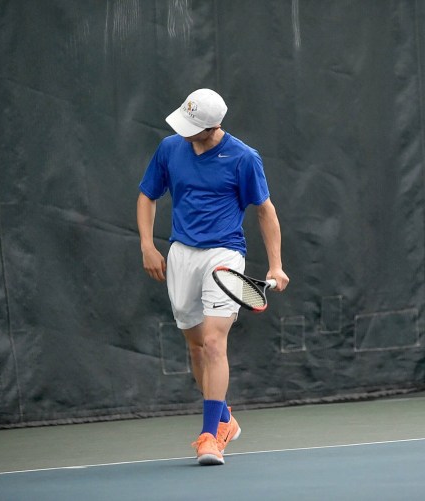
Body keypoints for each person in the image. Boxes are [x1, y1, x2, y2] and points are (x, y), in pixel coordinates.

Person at [137, 88, 289, 465]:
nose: (184, 131)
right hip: (181, 255)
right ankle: (225, 420)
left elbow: (265, 211)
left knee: (213, 343)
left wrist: (276, 264)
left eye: (193, 127)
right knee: (195, 347)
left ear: (213, 127)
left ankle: (209, 437)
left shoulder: (243, 158)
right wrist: (147, 246)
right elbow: (147, 196)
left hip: (224, 255)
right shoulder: (170, 148)